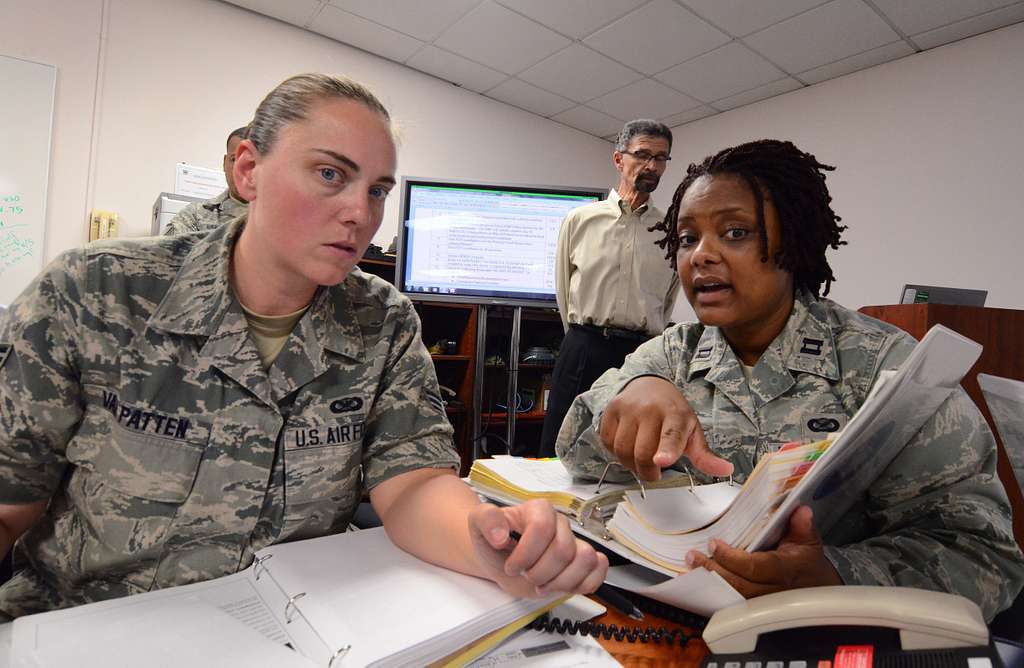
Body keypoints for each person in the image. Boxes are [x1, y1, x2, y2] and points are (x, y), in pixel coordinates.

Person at [0, 73, 608, 620]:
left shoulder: (382, 321)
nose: (359, 214)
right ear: (247, 170)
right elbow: (9, 502)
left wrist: (489, 534)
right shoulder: (96, 291)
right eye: (330, 174)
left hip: (293, 628)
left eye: (376, 190)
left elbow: (414, 484)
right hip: (82, 622)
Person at [557, 139, 1024, 621]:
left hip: (834, 633)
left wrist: (835, 575)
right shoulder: (674, 353)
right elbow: (573, 446)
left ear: (793, 244)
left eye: (735, 233)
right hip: (680, 625)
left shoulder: (883, 364)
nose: (701, 255)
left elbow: (982, 555)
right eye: (687, 238)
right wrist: (635, 391)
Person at [536, 119, 680, 458]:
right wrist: (582, 339)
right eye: (643, 155)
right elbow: (564, 290)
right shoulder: (580, 220)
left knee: (627, 452)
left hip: (642, 356)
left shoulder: (670, 229)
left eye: (661, 158)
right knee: (558, 446)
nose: (652, 166)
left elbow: (668, 300)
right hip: (584, 347)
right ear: (619, 159)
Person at [163, 126, 250, 235]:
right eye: (234, 159)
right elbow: (166, 249)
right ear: (224, 163)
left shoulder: (274, 215)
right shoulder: (196, 215)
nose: (240, 169)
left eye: (249, 161)